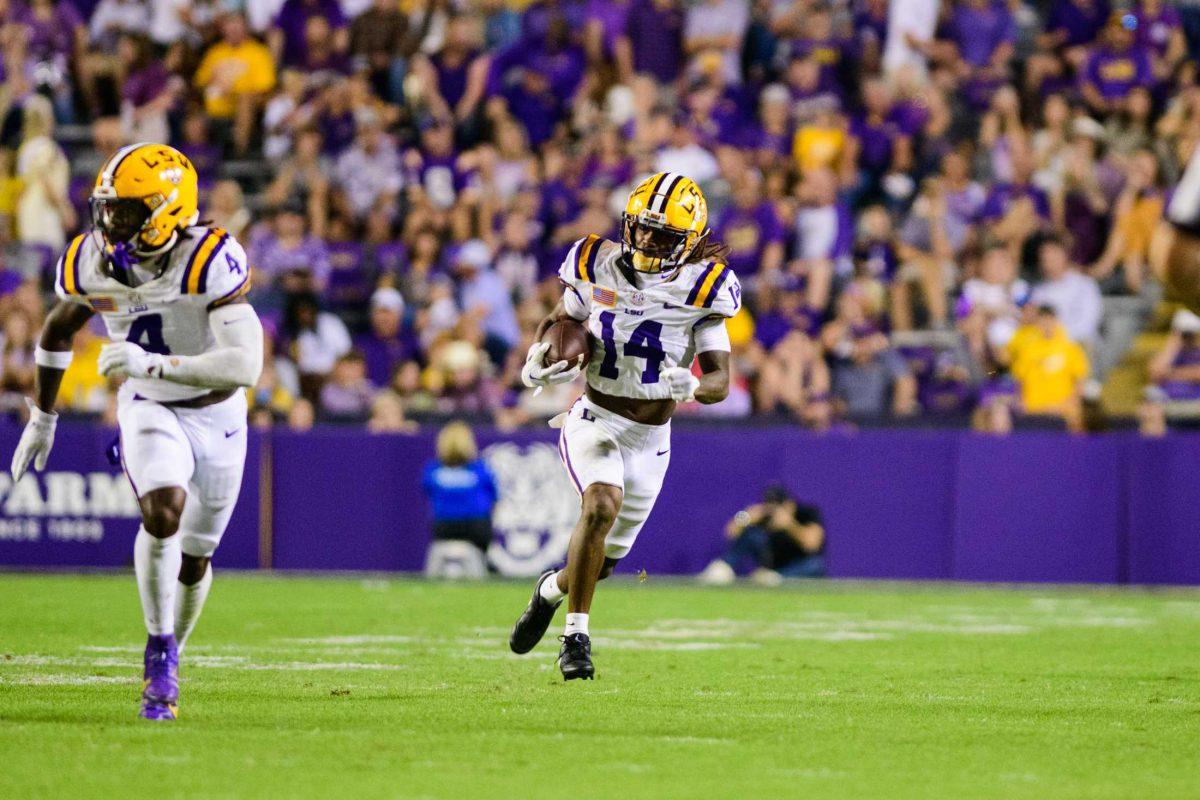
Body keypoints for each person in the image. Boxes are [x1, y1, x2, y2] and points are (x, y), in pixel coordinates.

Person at [7, 143, 263, 721]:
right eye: (108, 209)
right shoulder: (94, 262)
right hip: (149, 407)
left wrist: (152, 363)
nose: (109, 222)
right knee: (163, 510)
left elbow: (244, 366)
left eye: (125, 211)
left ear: (168, 209)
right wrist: (43, 416)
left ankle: (174, 646)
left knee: (196, 558)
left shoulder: (207, 259)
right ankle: (160, 648)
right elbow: (55, 331)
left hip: (218, 413)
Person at [508, 172, 740, 680]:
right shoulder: (595, 262)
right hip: (595, 416)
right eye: (642, 229)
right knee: (600, 503)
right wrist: (540, 352)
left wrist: (693, 386)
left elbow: (721, 378)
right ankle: (576, 640)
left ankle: (550, 590)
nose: (648, 242)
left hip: (651, 440)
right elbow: (560, 320)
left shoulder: (705, 288)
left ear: (691, 242)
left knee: (604, 562)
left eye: (664, 236)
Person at [699, 485, 826, 585]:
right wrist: (745, 517)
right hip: (770, 566)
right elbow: (730, 533)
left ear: (789, 504)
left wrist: (789, 525)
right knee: (752, 535)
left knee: (815, 564)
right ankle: (724, 568)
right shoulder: (763, 517)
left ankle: (776, 578)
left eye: (779, 506)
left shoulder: (807, 513)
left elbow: (812, 545)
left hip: (794, 569)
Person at [422, 421, 498, 560]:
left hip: (444, 527)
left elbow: (429, 493)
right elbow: (494, 499)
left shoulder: (433, 470)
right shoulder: (479, 469)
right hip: (476, 527)